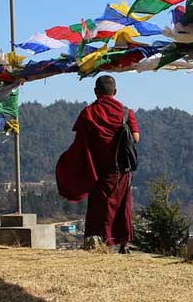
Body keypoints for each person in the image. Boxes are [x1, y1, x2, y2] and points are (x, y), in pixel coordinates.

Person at [56, 75, 140, 253]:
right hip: (122, 170)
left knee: (99, 208)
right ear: (115, 92)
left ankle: (99, 243)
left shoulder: (89, 112)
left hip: (98, 170)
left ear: (95, 91)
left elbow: (80, 144)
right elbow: (136, 138)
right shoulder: (126, 112)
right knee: (122, 205)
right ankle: (124, 243)